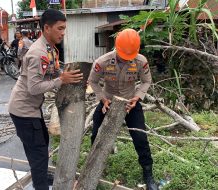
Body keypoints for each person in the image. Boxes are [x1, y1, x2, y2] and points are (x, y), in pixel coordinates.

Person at [8, 9, 83, 190]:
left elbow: (50, 70)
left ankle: (40, 174)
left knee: (42, 143)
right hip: (24, 110)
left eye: (65, 28)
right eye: (60, 28)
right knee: (39, 153)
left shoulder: (49, 48)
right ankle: (40, 184)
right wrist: (60, 80)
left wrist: (61, 74)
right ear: (47, 28)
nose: (63, 32)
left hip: (32, 109)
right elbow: (33, 88)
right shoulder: (37, 53)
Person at [88, 28, 158, 190]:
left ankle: (148, 173)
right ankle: (94, 167)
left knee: (141, 139)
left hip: (130, 104)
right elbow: (92, 81)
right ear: (116, 47)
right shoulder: (102, 62)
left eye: (130, 57)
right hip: (108, 103)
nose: (126, 60)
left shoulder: (141, 61)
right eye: (123, 56)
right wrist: (102, 99)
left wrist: (137, 97)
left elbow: (147, 81)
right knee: (96, 135)